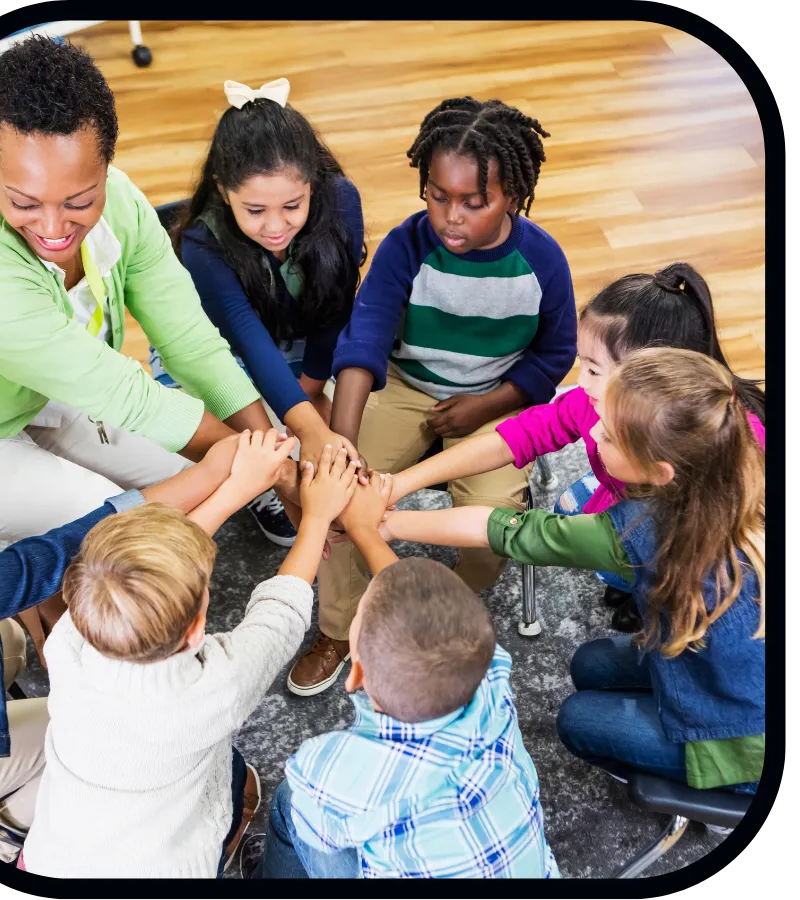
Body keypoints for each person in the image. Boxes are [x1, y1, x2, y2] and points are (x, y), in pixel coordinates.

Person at [0, 37, 289, 558]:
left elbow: (190, 341)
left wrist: (271, 452)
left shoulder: (122, 200)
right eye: (23, 202)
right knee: (123, 536)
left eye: (79, 201)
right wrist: (281, 469)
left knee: (192, 480)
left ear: (106, 167)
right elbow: (123, 393)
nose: (54, 228)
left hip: (37, 394)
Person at [372, 348, 765, 795]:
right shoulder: (737, 470)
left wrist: (386, 524)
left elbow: (503, 529)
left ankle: (727, 787)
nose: (594, 431)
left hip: (748, 738)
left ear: (660, 472)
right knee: (589, 663)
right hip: (732, 673)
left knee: (577, 720)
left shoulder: (639, 533)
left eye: (611, 436)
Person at [287, 96, 577, 697]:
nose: (451, 217)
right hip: (408, 386)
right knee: (340, 495)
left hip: (494, 401)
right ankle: (339, 628)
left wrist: (488, 404)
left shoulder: (542, 262)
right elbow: (363, 342)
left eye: (475, 203)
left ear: (513, 197)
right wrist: (341, 446)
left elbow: (555, 356)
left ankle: (452, 600)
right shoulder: (406, 246)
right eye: (438, 196)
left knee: (499, 521)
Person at [19, 441, 360, 878]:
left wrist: (238, 488)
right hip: (168, 866)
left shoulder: (70, 637)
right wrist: (316, 518)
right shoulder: (217, 686)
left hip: (57, 855)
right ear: (199, 628)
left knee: (223, 774)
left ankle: (237, 798)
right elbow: (281, 614)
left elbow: (141, 570)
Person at [387, 262, 765, 633]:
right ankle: (630, 585)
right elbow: (516, 437)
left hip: (692, 549)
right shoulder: (594, 404)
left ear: (652, 375)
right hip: (634, 507)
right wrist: (399, 485)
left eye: (594, 370)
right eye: (581, 363)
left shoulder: (732, 451)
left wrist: (388, 521)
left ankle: (643, 592)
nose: (579, 384)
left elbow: (513, 531)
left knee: (648, 571)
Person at [0, 438, 248, 862]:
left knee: (4, 641)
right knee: (68, 728)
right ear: (196, 630)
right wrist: (222, 484)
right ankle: (0, 833)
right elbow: (50, 555)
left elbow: (24, 573)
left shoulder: (66, 641)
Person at [245, 473, 558, 879]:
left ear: (354, 674)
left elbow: (322, 834)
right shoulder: (492, 678)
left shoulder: (325, 771)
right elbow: (421, 609)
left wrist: (319, 521)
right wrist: (362, 528)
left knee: (290, 804)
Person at [151, 78, 366, 546]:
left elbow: (337, 306)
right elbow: (244, 335)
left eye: (293, 206)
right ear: (222, 191)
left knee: (350, 408)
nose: (275, 227)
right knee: (210, 428)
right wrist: (305, 421)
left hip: (305, 339)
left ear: (314, 182)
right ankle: (261, 481)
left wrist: (309, 389)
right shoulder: (201, 242)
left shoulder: (343, 199)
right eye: (254, 210)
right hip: (226, 350)